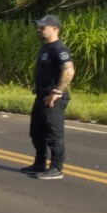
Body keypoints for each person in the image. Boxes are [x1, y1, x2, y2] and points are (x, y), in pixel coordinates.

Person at [22, 15, 75, 180]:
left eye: (43, 27)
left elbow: (68, 70)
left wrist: (57, 92)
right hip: (41, 96)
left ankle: (56, 168)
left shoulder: (59, 48)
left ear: (55, 29)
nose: (39, 29)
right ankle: (39, 163)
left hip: (54, 98)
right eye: (39, 27)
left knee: (54, 134)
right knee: (36, 132)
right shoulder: (45, 47)